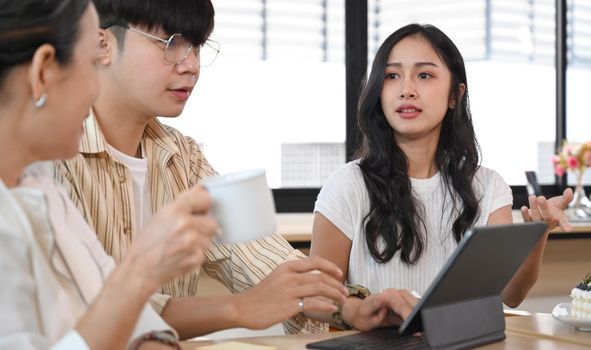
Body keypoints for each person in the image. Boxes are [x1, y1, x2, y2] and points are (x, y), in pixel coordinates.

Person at [53, 0, 353, 339]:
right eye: (171, 44)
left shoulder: (182, 156)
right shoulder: (52, 155)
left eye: (196, 47)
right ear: (101, 45)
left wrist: (352, 306)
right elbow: (85, 311)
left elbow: (258, 255)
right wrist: (242, 307)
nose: (191, 65)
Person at [310, 23, 574, 330]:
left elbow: (511, 294)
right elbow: (316, 299)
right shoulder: (347, 185)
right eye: (392, 75)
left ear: (455, 95)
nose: (406, 89)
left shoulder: (488, 187)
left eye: (424, 75)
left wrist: (538, 232)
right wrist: (357, 311)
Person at [0, 0, 219, 348]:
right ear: (43, 71)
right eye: (90, 62)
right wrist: (141, 270)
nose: (96, 89)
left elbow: (120, 314)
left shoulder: (41, 188)